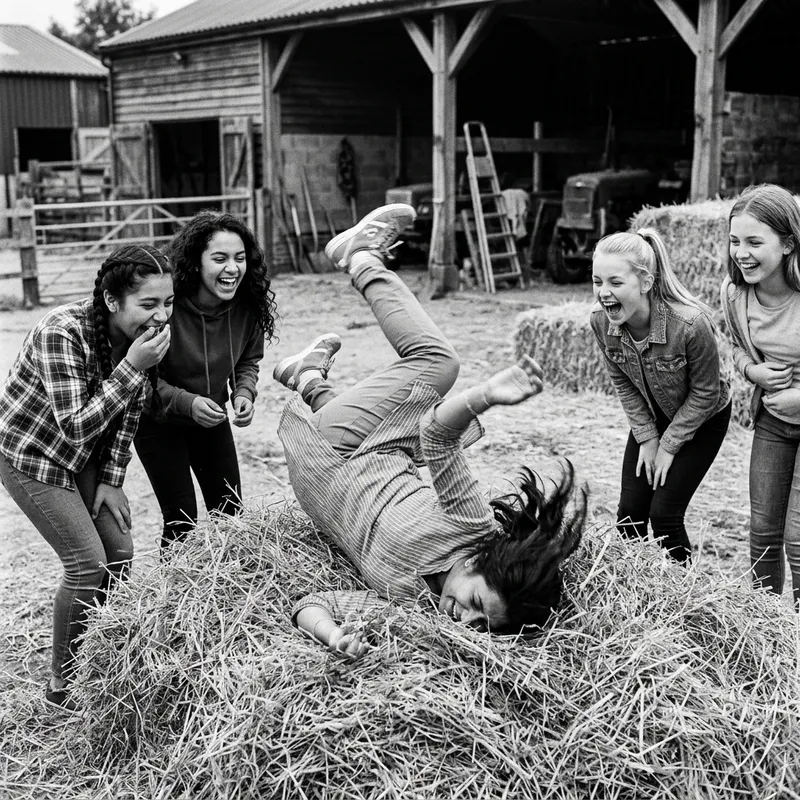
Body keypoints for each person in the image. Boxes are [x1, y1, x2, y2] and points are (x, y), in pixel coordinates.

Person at [274, 204, 587, 659]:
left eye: (482, 628)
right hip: (366, 454)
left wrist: (331, 635)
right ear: (482, 562)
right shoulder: (472, 527)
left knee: (422, 378)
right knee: (439, 365)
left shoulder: (413, 608)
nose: (465, 619)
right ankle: (354, 271)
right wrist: (484, 395)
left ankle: (351, 281)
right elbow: (438, 435)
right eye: (477, 602)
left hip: (334, 456)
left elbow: (313, 605)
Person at [0, 245, 173, 710]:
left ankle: (103, 660)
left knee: (120, 552)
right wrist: (134, 367)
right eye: (149, 305)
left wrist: (113, 478)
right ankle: (64, 685)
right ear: (113, 301)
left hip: (85, 455)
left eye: (168, 302)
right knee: (86, 564)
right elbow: (75, 426)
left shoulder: (140, 338)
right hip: (32, 455)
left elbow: (130, 411)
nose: (161, 317)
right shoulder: (63, 331)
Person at [134, 211, 277, 547]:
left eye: (240, 258)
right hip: (158, 421)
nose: (233, 268)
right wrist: (188, 402)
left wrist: (243, 392)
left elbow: (248, 358)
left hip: (210, 416)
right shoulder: (166, 308)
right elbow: (140, 378)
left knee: (230, 514)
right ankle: (171, 597)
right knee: (181, 520)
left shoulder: (249, 305)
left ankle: (228, 592)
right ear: (196, 263)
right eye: (220, 258)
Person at [590, 228, 731, 564]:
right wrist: (648, 437)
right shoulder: (600, 322)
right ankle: (632, 593)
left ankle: (683, 592)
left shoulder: (690, 324)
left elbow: (706, 393)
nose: (603, 293)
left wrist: (669, 445)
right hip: (653, 415)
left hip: (703, 417)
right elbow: (623, 382)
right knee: (630, 514)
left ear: (646, 283)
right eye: (597, 281)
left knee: (664, 515)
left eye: (615, 282)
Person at [720, 183, 800, 605]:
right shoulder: (735, 295)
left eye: (754, 241)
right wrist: (752, 369)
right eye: (735, 241)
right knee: (763, 531)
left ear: (788, 243)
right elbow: (732, 345)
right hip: (772, 421)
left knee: (798, 540)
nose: (741, 252)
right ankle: (765, 629)